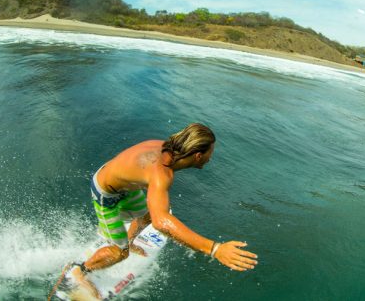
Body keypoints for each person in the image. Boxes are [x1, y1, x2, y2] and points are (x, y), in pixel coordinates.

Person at [70, 123, 258, 296]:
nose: (211, 158)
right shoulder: (163, 173)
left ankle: (129, 239)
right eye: (211, 153)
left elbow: (139, 167)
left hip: (126, 186)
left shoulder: (165, 148)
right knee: (120, 253)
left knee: (148, 215)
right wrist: (215, 249)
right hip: (106, 193)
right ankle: (81, 270)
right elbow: (161, 222)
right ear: (198, 155)